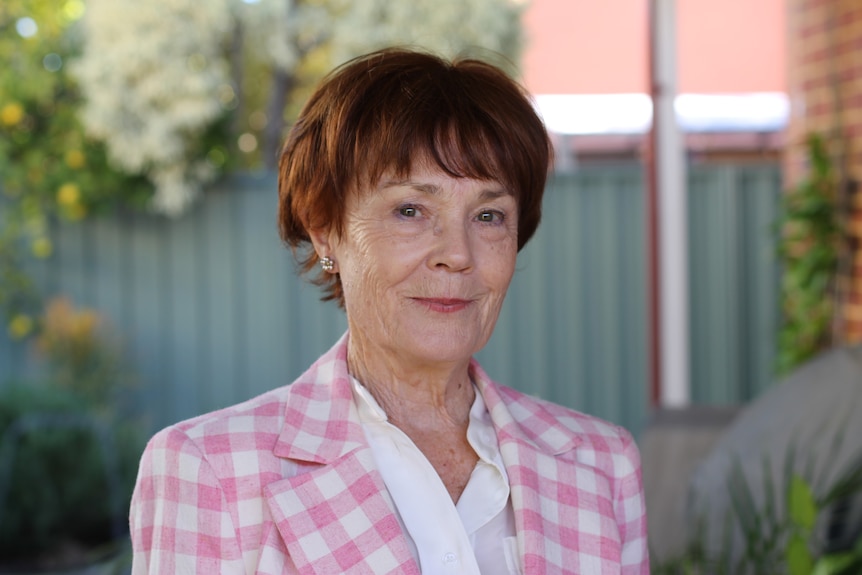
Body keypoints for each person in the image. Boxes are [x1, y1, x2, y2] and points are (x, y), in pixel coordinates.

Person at [129, 48, 649, 575]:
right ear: (325, 227)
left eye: (489, 215)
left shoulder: (602, 463)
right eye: (410, 210)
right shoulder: (208, 471)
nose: (459, 253)